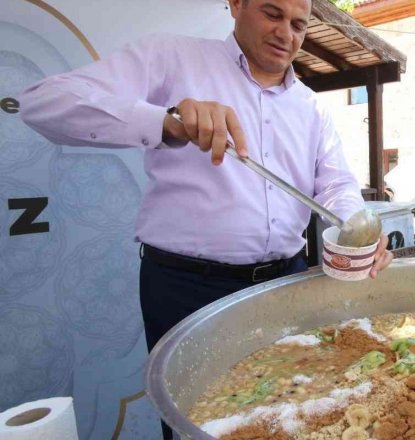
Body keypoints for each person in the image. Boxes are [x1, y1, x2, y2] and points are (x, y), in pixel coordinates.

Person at [19, 1, 393, 435]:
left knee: (293, 415)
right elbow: (42, 103)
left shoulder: (312, 107)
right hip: (187, 289)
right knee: (194, 422)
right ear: (236, 4)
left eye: (298, 24)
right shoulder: (171, 57)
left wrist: (354, 228)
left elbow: (335, 184)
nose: (285, 34)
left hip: (283, 284)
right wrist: (166, 122)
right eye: (271, 14)